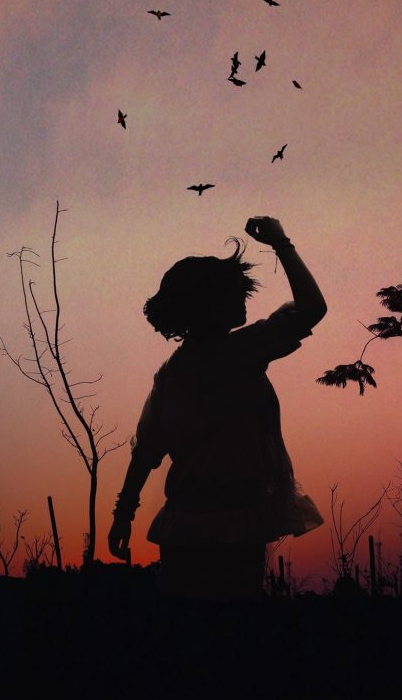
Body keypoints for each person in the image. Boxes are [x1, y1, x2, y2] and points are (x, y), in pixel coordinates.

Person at [108, 216, 325, 601]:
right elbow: (312, 309)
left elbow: (145, 454)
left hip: (184, 529)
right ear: (209, 305)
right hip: (234, 527)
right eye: (232, 294)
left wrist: (123, 515)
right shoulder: (242, 350)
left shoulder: (169, 376)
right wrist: (281, 242)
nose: (242, 300)